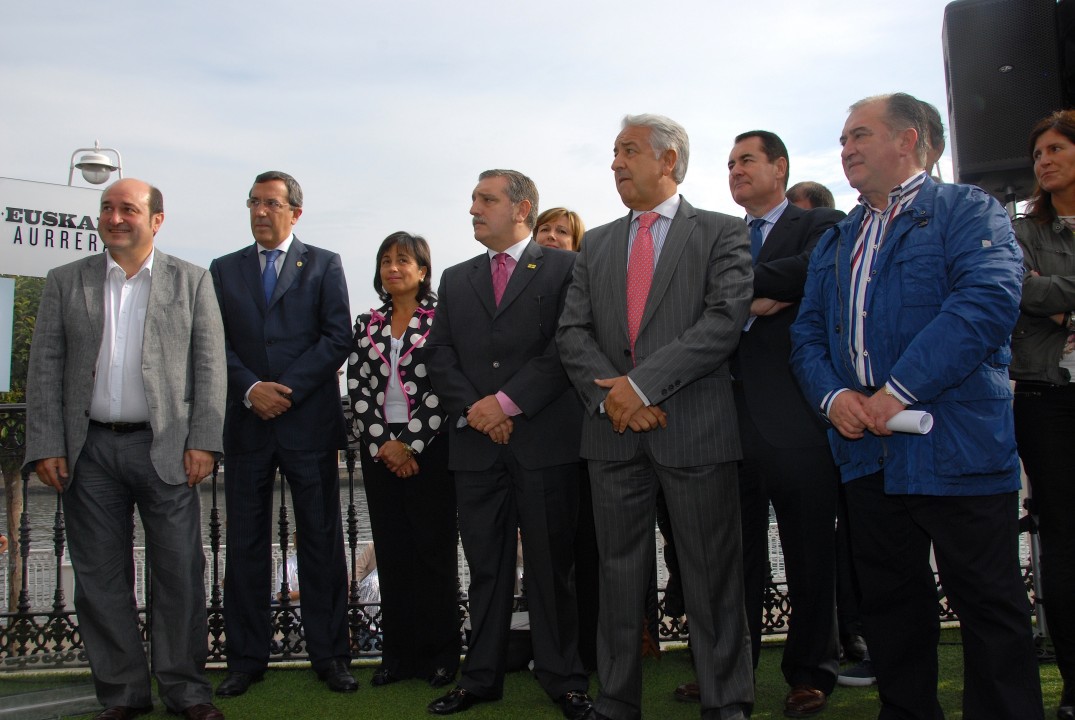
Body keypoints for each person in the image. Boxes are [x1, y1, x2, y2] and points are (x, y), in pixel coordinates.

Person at [789, 92, 1044, 719]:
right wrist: (834, 398)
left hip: (958, 447)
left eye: (860, 135)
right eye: (843, 139)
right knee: (891, 611)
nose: (846, 148)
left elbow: (984, 304)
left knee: (988, 607)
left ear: (908, 140)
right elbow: (808, 334)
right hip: (868, 456)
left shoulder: (969, 210)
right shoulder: (838, 238)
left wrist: (895, 392)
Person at [557, 114, 755, 720]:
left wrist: (639, 388)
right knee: (617, 576)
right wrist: (615, 400)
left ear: (668, 160)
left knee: (710, 574)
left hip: (694, 429)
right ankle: (616, 700)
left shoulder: (722, 232)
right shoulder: (596, 243)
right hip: (612, 432)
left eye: (629, 151)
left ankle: (726, 700)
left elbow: (723, 322)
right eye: (614, 152)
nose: (615, 162)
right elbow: (572, 332)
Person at [23, 178, 226, 720]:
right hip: (88, 452)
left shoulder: (192, 280)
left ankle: (186, 691)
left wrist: (204, 441)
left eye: (128, 209)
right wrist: (46, 444)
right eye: (107, 208)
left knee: (180, 574)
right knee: (99, 580)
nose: (115, 218)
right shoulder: (65, 281)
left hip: (166, 450)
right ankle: (122, 695)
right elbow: (44, 367)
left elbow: (210, 367)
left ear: (156, 220)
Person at [426, 169, 592, 719]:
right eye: (474, 199)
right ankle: (479, 678)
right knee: (486, 570)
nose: (474, 208)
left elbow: (566, 348)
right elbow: (439, 353)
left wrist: (506, 403)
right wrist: (479, 410)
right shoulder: (457, 278)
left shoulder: (567, 267)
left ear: (521, 209)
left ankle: (564, 679)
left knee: (551, 569)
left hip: (544, 445)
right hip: (477, 448)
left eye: (486, 199)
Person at [210, 171, 356, 697]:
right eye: (254, 202)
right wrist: (251, 389)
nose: (260, 211)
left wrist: (284, 390)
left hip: (307, 425)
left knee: (320, 542)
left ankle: (330, 656)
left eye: (271, 203)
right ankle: (245, 660)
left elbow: (337, 337)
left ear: (296, 212)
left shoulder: (323, 263)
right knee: (245, 545)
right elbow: (214, 341)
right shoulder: (223, 269)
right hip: (247, 425)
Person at [727, 130, 844, 716]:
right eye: (730, 164)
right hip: (727, 421)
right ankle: (732, 672)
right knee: (735, 556)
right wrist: (762, 294)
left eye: (746, 160)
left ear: (780, 167)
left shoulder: (822, 223)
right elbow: (696, 291)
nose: (735, 170)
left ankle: (811, 671)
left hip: (797, 419)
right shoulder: (721, 236)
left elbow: (814, 269)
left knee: (808, 552)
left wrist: (734, 292)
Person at [347, 231, 460, 688]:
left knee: (434, 552)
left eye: (403, 260)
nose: (393, 268)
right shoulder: (367, 323)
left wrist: (409, 444)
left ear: (423, 270)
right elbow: (357, 388)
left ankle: (441, 655)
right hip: (380, 450)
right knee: (392, 552)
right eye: (386, 261)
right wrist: (385, 445)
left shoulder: (442, 319)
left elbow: (444, 387)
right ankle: (397, 656)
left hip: (430, 448)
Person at [1010, 109, 1075, 720]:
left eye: (1056, 148)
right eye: (1038, 153)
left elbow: (1044, 292)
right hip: (1045, 397)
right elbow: (1019, 289)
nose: (1044, 161)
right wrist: (1049, 300)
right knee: (1062, 536)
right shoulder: (1021, 228)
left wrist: (1061, 305)